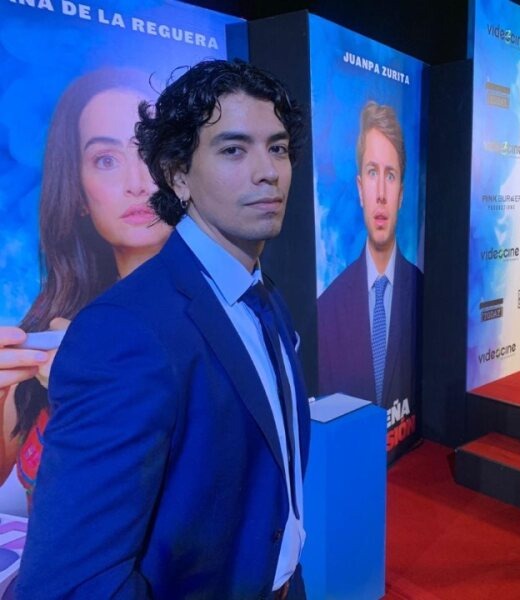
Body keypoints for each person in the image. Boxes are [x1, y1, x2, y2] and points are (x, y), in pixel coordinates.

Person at [16, 59, 309, 599]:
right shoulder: (122, 332)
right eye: (233, 150)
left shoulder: (266, 296)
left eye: (278, 148)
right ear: (177, 176)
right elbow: (73, 584)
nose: (267, 171)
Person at [0, 68, 170, 510]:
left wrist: (99, 399)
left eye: (151, 151)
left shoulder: (224, 317)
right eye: (106, 160)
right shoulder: (54, 325)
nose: (138, 182)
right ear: (77, 192)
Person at [317, 101, 422, 409]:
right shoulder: (327, 308)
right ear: (360, 188)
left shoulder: (424, 292)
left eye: (390, 176)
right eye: (372, 172)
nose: (381, 194)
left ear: (401, 194)